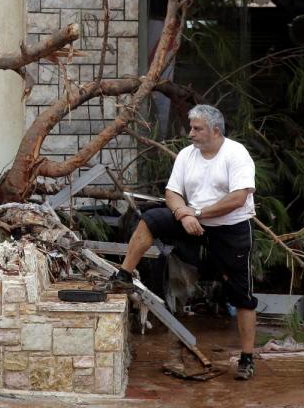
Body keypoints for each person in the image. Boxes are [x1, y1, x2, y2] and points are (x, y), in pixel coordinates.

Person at [107, 104, 259, 380]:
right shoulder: (187, 155)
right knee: (151, 219)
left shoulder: (236, 154)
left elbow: (238, 197)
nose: (191, 134)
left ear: (215, 130)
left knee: (242, 295)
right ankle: (124, 274)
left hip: (230, 228)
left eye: (197, 128)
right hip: (192, 219)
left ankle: (247, 358)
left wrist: (197, 212)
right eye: (191, 128)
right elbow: (172, 192)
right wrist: (181, 213)